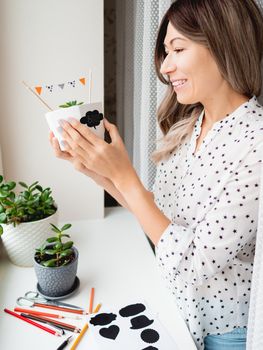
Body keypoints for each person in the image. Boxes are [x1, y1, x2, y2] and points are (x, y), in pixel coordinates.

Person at [50, 0, 263, 349]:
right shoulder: (192, 123)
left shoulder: (255, 144)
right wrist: (98, 171)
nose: (165, 67)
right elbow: (157, 215)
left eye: (178, 48)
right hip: (173, 306)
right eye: (165, 52)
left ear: (224, 43)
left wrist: (126, 176)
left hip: (221, 333)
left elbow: (197, 263)